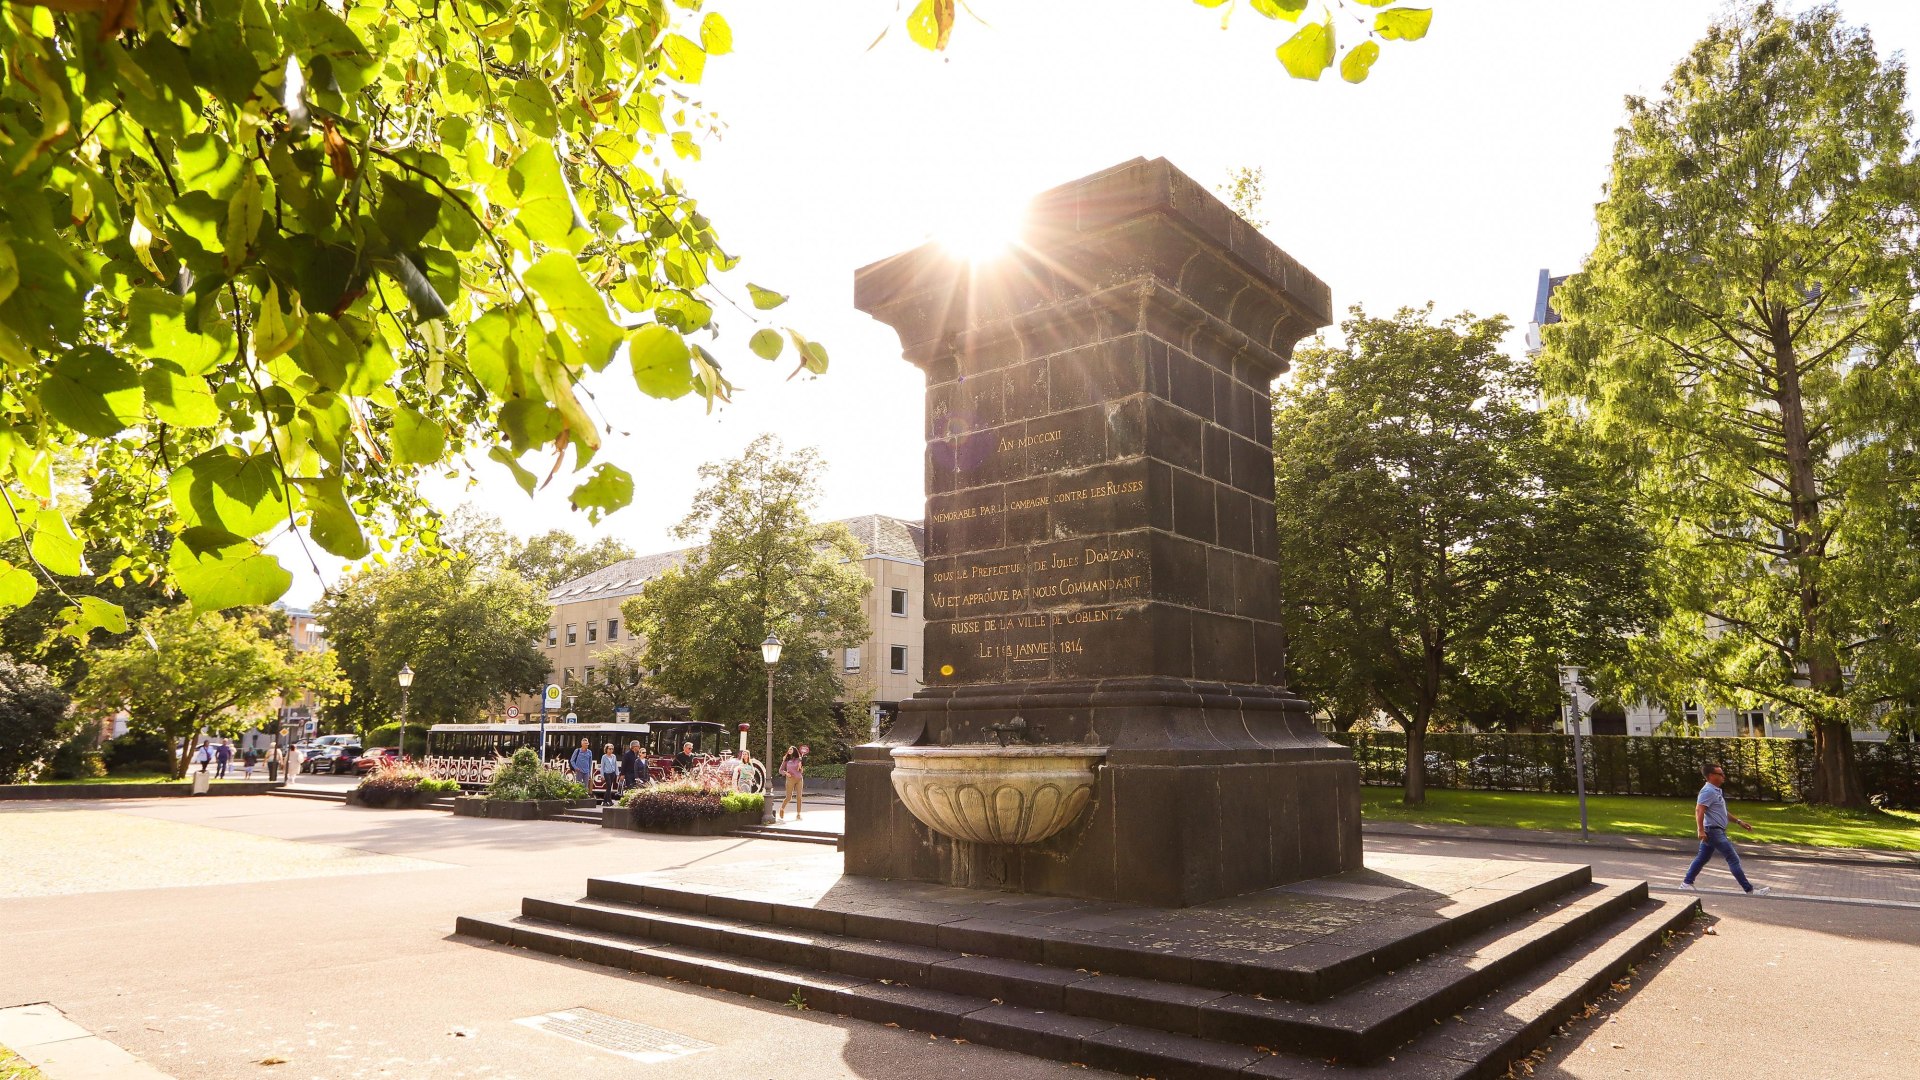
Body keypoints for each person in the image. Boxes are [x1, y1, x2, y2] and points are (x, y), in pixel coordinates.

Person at [1682, 762, 1771, 896]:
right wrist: (1700, 829)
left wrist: (1739, 822)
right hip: (1713, 831)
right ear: (1711, 776)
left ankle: (1686, 884)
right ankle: (1750, 890)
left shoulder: (1715, 791)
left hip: (1714, 830)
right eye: (1720, 774)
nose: (1724, 776)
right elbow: (1699, 810)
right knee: (1733, 859)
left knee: (1702, 858)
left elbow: (1722, 812)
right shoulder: (1708, 791)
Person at [778, 745, 804, 822]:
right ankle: (782, 809)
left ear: (794, 751)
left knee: (799, 797)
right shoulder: (786, 760)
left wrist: (800, 767)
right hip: (790, 779)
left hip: (799, 779)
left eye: (791, 749)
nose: (789, 750)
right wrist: (786, 773)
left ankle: (798, 814)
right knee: (789, 798)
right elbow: (780, 770)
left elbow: (801, 771)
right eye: (789, 749)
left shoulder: (799, 759)